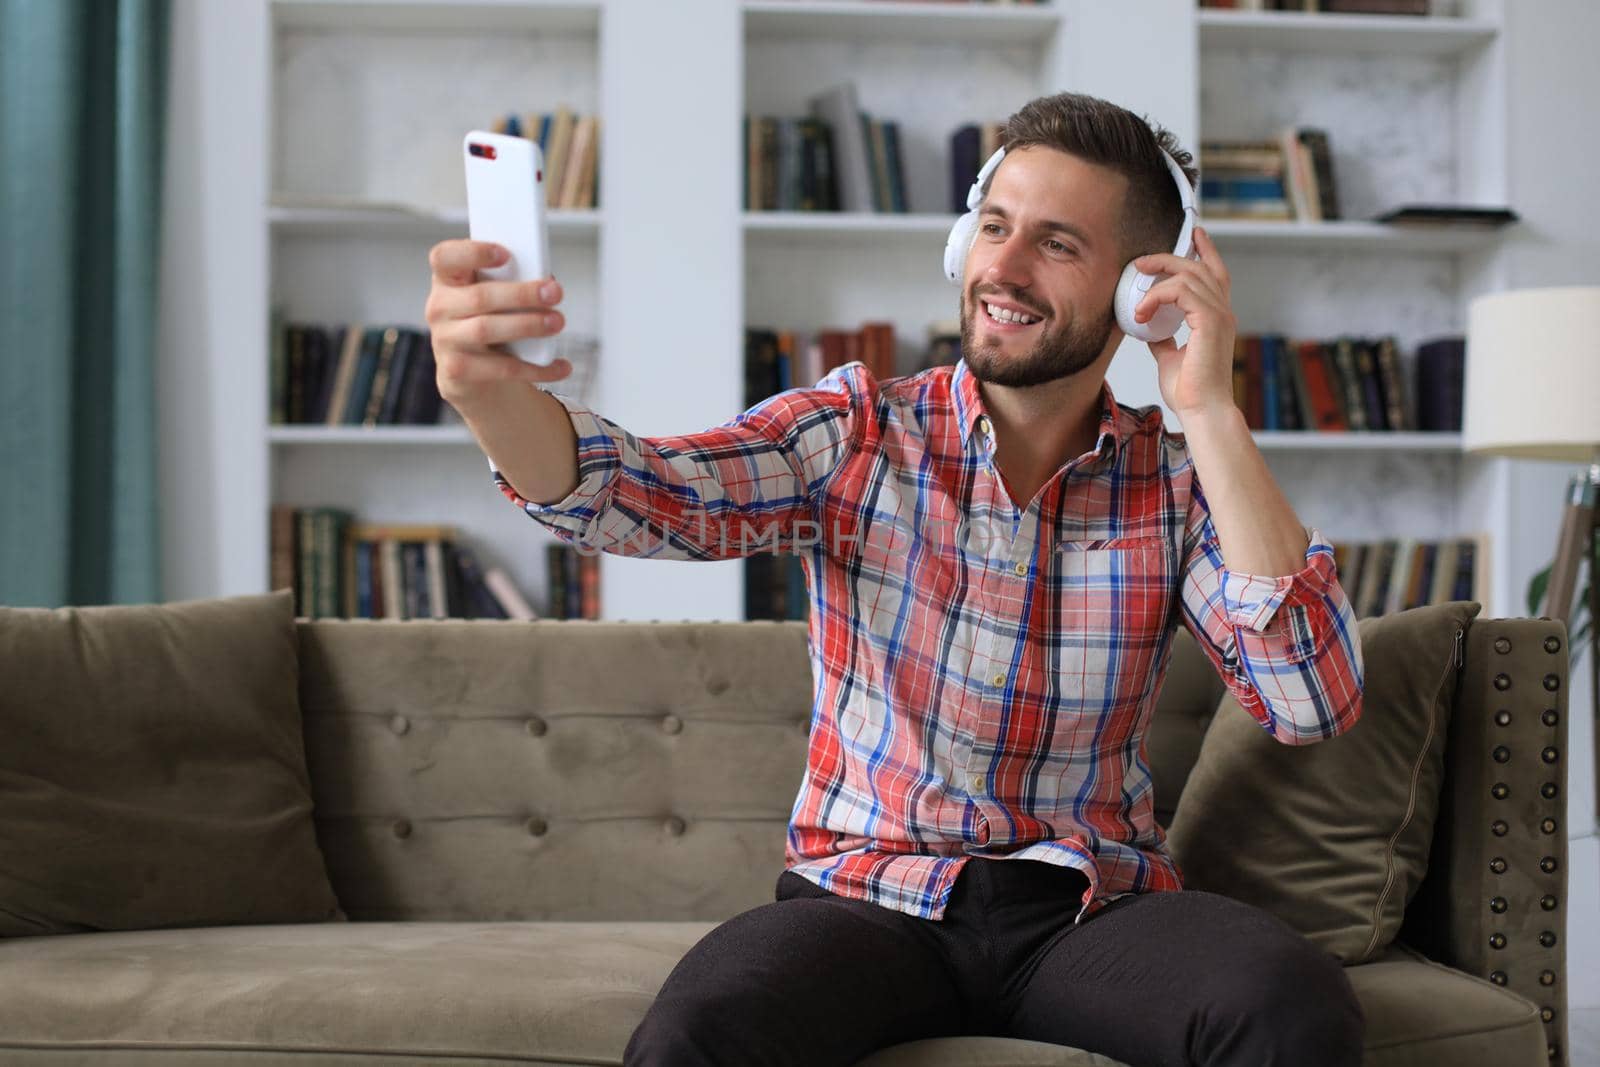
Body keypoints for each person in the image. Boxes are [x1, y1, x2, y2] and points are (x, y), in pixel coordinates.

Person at [423, 91, 1366, 1067]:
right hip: (867, 899)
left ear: (1142, 292)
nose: (1001, 265)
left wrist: (1206, 407)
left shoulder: (1177, 485)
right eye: (993, 226)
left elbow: (1311, 700)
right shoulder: (854, 431)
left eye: (1055, 244)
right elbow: (642, 491)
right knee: (700, 1032)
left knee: (1286, 1004)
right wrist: (489, 394)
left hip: (1089, 910)